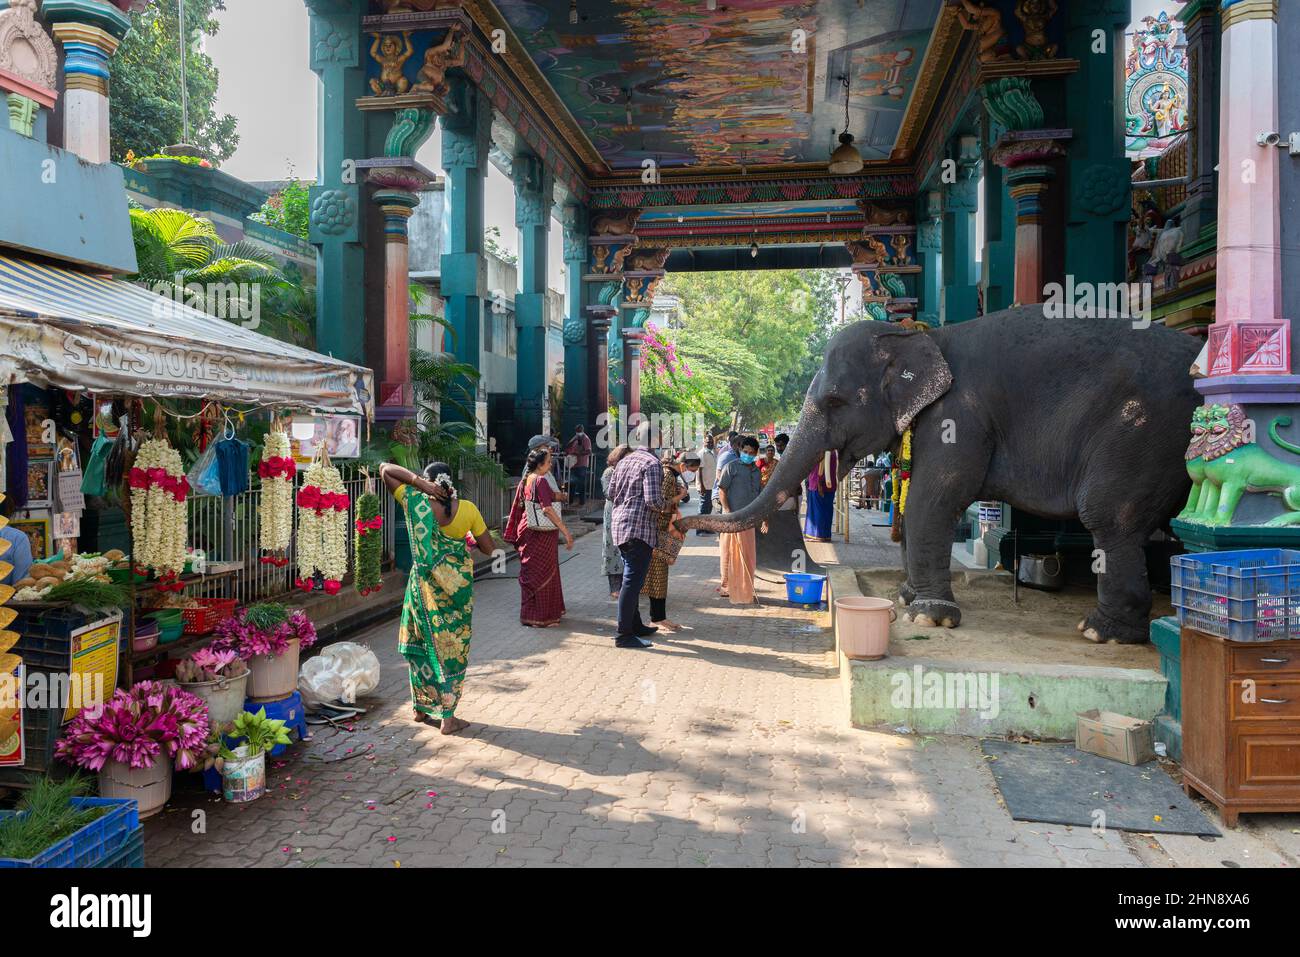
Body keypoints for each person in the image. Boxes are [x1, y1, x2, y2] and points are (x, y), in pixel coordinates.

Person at [381, 461, 495, 735]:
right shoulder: (467, 510)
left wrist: (418, 483)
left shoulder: (417, 504)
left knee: (421, 643)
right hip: (456, 596)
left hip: (423, 591)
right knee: (452, 651)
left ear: (429, 481)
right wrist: (464, 541)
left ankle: (421, 708)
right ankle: (448, 717)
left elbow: (385, 469)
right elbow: (489, 549)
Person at [607, 424, 673, 648]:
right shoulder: (652, 463)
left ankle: (635, 626)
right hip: (639, 529)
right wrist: (668, 507)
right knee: (631, 583)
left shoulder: (625, 460)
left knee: (631, 578)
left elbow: (610, 493)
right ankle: (624, 634)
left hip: (620, 528)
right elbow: (652, 500)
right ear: (658, 438)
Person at [518, 444, 573, 627]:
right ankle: (542, 617)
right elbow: (547, 508)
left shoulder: (528, 479)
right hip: (541, 534)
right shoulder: (540, 480)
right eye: (549, 462)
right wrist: (565, 531)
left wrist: (561, 496)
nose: (550, 466)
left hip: (529, 530)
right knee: (544, 572)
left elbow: (549, 497)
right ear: (540, 464)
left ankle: (531, 615)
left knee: (533, 572)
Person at [642, 449, 690, 632]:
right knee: (657, 576)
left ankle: (658, 617)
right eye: (691, 468)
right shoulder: (669, 476)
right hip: (659, 531)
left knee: (658, 577)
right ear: (683, 465)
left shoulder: (668, 474)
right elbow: (662, 504)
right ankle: (657, 618)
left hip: (659, 530)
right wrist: (680, 496)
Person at [717, 436, 764, 604]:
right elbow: (722, 490)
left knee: (748, 555)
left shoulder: (757, 471)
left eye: (751, 453)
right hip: (731, 519)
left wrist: (763, 518)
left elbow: (759, 495)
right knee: (728, 553)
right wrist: (728, 511)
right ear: (740, 450)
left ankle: (746, 586)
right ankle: (726, 586)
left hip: (749, 520)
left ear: (756, 453)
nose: (748, 455)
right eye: (745, 452)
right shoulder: (731, 467)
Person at [600, 444, 631, 598]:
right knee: (613, 549)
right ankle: (615, 588)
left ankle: (626, 586)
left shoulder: (628, 471)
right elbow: (608, 493)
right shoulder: (609, 472)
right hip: (613, 513)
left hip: (627, 514)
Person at [804, 450, 839, 542]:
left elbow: (821, 469)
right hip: (828, 485)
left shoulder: (824, 451)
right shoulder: (833, 452)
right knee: (826, 511)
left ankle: (818, 535)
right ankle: (825, 535)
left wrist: (819, 484)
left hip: (819, 485)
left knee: (818, 511)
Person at [694, 432, 718, 535]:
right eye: (708, 442)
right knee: (703, 508)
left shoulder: (712, 452)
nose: (710, 444)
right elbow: (699, 470)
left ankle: (706, 528)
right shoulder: (701, 453)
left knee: (708, 508)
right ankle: (699, 530)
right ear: (704, 443)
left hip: (711, 485)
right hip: (705, 486)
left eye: (712, 442)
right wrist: (701, 486)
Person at [564, 424, 592, 507]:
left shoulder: (586, 439)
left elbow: (588, 451)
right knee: (571, 483)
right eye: (577, 431)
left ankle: (582, 502)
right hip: (573, 464)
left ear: (582, 430)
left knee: (581, 484)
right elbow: (568, 446)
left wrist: (577, 453)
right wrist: (572, 441)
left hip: (582, 465)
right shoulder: (575, 438)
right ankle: (570, 501)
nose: (578, 433)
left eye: (579, 431)